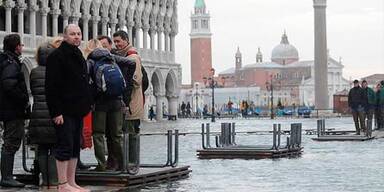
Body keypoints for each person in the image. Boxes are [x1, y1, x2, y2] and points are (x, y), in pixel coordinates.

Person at [45, 24, 92, 192]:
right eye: (73, 34)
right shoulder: (57, 56)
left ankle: (72, 182)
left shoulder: (78, 55)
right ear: (65, 37)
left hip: (77, 109)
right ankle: (62, 184)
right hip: (64, 110)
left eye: (79, 34)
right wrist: (56, 112)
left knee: (74, 146)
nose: (77, 37)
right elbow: (51, 87)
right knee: (64, 145)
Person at [84, 39, 126, 171]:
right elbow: (131, 63)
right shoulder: (111, 59)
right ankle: (122, 164)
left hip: (100, 102)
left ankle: (102, 165)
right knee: (117, 135)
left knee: (98, 134)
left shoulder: (91, 61)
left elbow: (86, 81)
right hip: (117, 101)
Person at [29, 37, 63, 189]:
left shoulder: (34, 72)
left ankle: (45, 180)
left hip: (37, 115)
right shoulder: (56, 72)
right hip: (54, 114)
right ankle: (54, 180)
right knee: (55, 147)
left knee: (42, 148)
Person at [113, 30, 146, 165]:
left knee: (130, 132)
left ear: (126, 40)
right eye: (114, 42)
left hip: (132, 103)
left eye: (118, 41)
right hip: (131, 102)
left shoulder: (132, 57)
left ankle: (131, 162)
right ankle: (129, 162)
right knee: (128, 132)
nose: (117, 44)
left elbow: (136, 80)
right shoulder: (125, 56)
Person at [0, 34, 29, 188]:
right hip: (12, 109)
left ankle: (7, 176)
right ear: (17, 46)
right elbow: (9, 84)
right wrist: (23, 98)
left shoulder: (7, 60)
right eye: (21, 45)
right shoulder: (11, 63)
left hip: (8, 108)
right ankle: (6, 177)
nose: (22, 48)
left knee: (10, 141)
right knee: (11, 142)